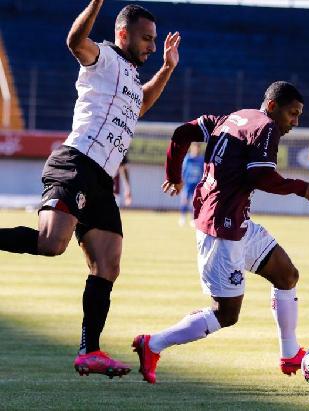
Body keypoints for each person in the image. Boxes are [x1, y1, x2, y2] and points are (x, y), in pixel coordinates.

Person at [0, 1, 180, 378]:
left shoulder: (131, 77)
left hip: (101, 180)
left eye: (154, 40)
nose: (151, 45)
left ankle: (89, 351)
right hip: (75, 164)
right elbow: (74, 41)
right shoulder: (103, 58)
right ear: (122, 34)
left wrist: (166, 68)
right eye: (146, 39)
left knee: (108, 264)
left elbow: (141, 104)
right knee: (51, 244)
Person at [132, 81, 309, 384]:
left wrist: (172, 175)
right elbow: (260, 175)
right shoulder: (266, 126)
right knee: (226, 314)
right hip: (222, 229)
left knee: (286, 275)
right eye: (292, 114)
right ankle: (153, 344)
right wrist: (301, 187)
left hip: (236, 223)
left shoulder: (232, 118)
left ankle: (290, 353)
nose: (295, 123)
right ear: (272, 107)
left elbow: (182, 133)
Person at [178, 143, 204, 226]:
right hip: (187, 183)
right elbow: (183, 170)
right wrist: (181, 181)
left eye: (198, 148)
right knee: (184, 200)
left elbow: (203, 171)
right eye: (195, 148)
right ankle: (182, 217)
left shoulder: (201, 159)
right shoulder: (187, 158)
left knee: (195, 202)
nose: (196, 149)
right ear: (192, 148)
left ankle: (193, 219)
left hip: (197, 184)